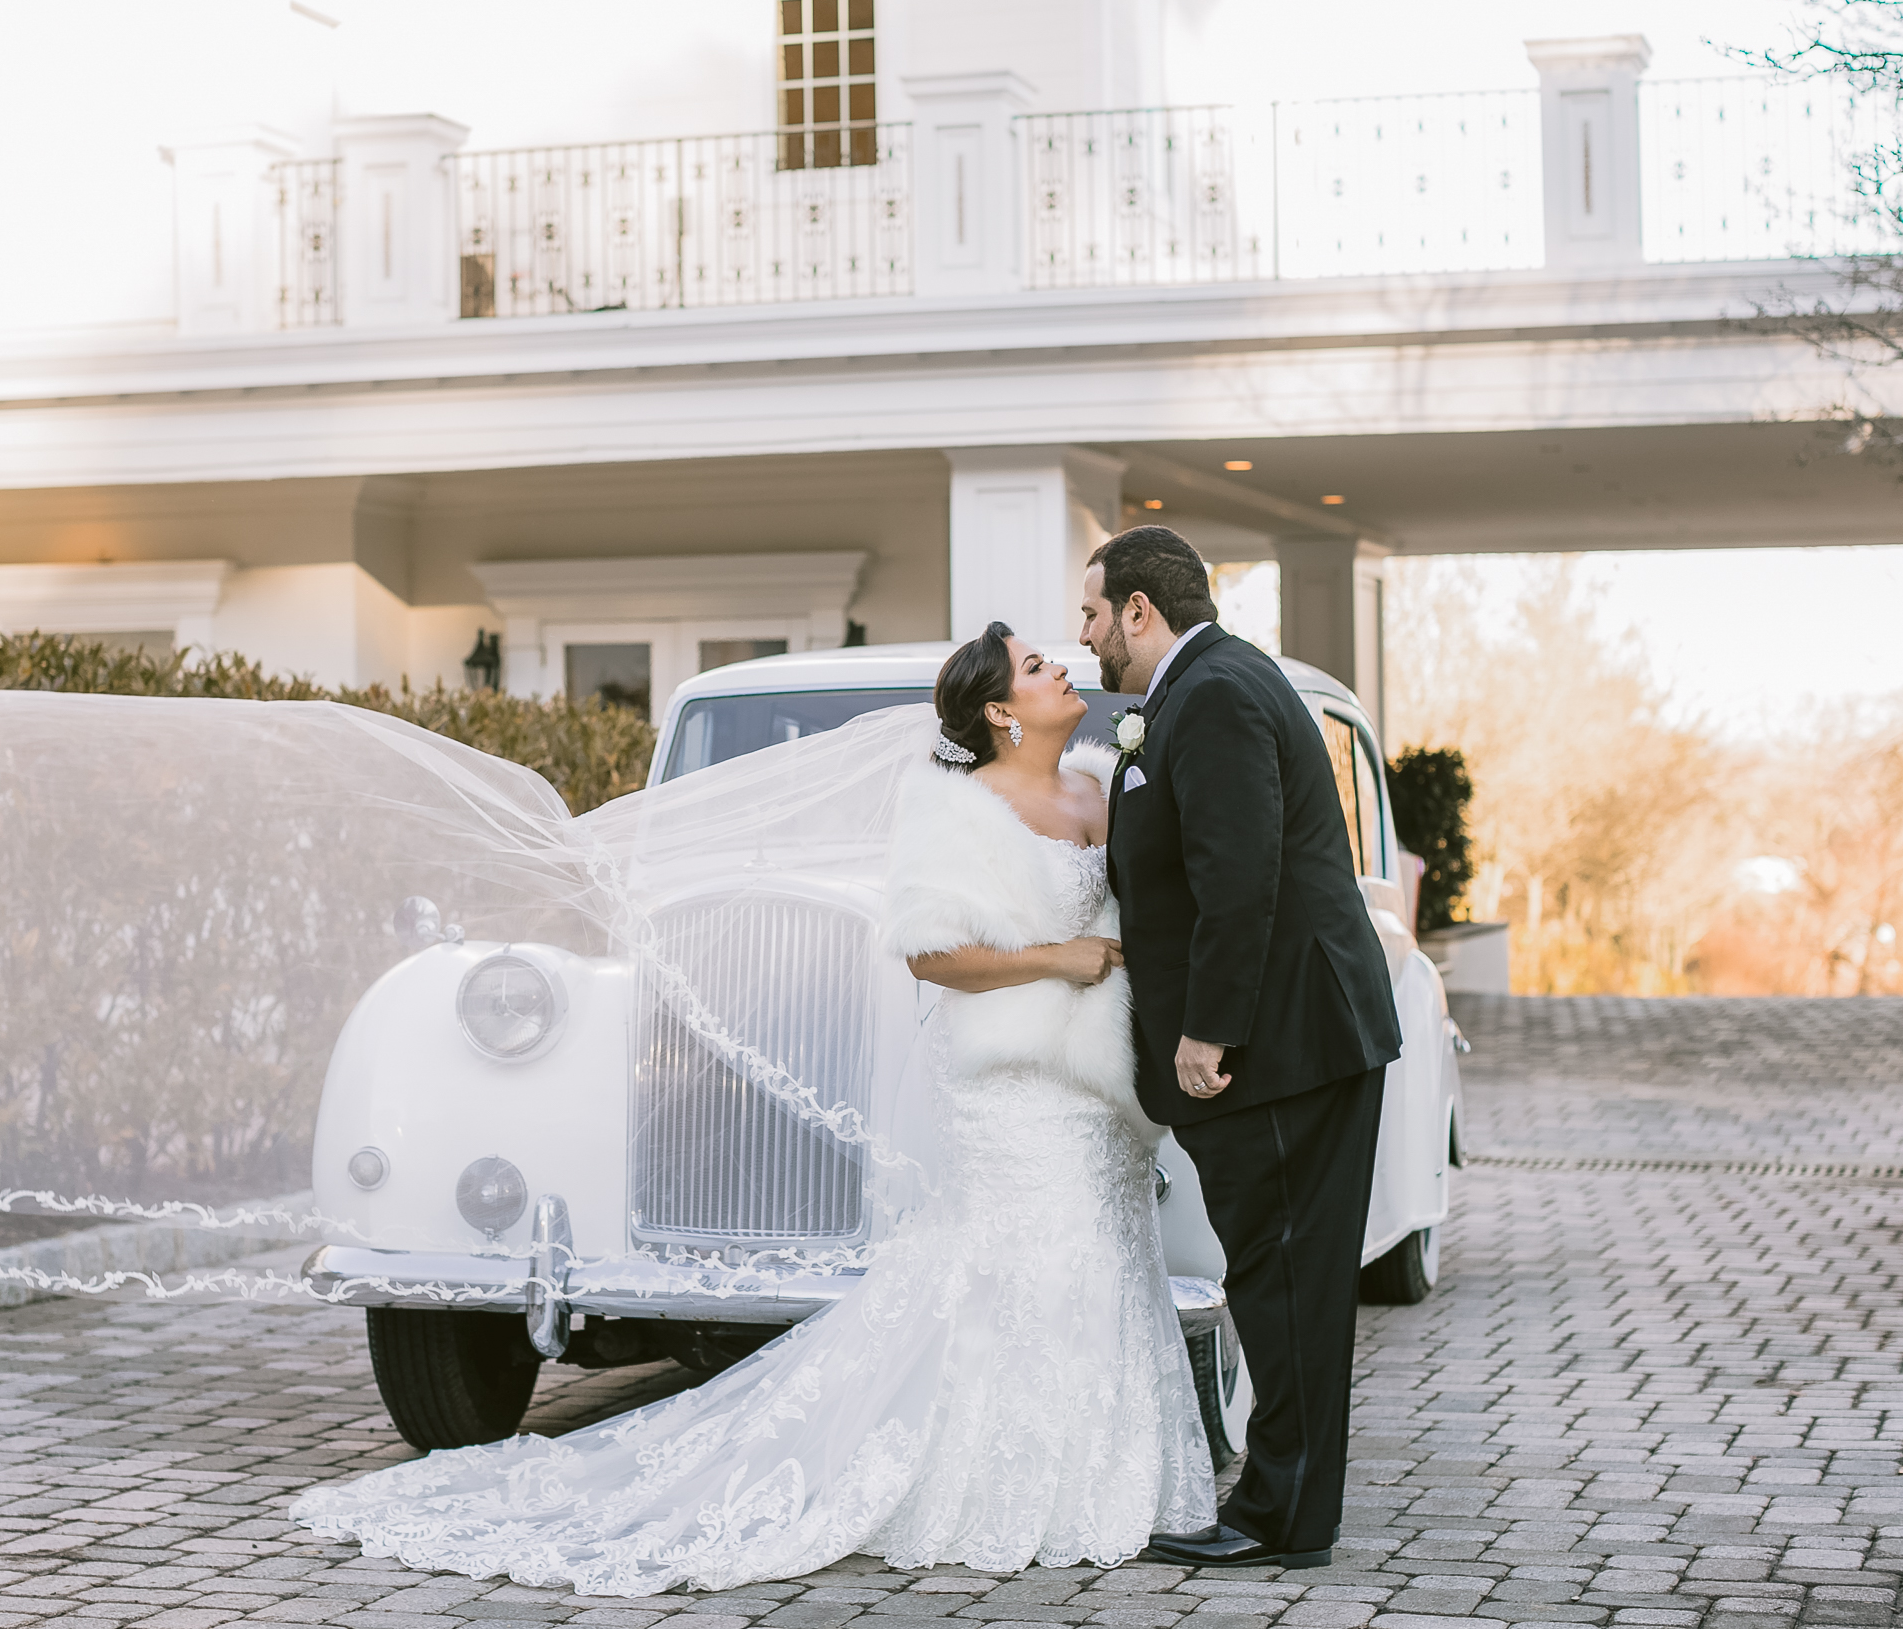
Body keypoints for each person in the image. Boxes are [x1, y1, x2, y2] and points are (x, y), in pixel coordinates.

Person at [285, 622, 1218, 1594]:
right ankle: (1000, 1482)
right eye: (1033, 665)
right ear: (997, 710)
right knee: (1016, 1266)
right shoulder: (954, 807)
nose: (1059, 666)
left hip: (1091, 1075)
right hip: (1008, 1074)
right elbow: (929, 950)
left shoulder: (1101, 784)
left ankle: (1096, 1475)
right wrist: (1060, 958)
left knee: (1097, 1258)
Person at [1080, 525, 1405, 1572]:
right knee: (1281, 1276)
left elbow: (1238, 875)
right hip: (1292, 1037)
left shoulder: (1214, 692)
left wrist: (1207, 1029)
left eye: (1092, 612)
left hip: (1277, 1042)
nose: (1084, 634)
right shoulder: (1207, 684)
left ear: (1139, 609)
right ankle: (1284, 1505)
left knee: (1284, 1277)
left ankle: (1279, 1516)